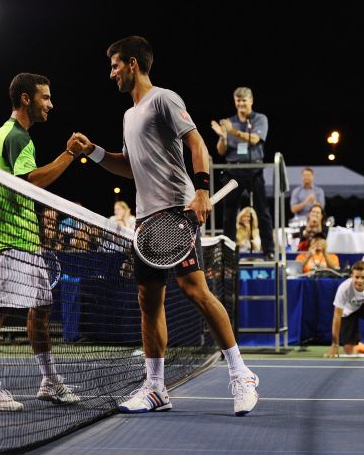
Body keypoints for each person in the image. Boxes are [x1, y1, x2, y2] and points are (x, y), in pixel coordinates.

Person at [75, 36, 259, 416]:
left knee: (195, 290)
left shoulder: (164, 99)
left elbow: (198, 145)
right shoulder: (128, 116)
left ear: (132, 64)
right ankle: (156, 387)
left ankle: (241, 374)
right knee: (148, 301)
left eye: (114, 66)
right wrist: (92, 152)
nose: (110, 74)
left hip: (177, 212)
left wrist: (203, 190)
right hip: (146, 219)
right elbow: (128, 166)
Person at [0, 72, 84, 412]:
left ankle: (49, 380)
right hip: (11, 241)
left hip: (25, 240)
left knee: (41, 308)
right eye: (45, 98)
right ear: (26, 99)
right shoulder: (17, 137)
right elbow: (31, 183)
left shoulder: (8, 137)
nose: (50, 104)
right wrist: (68, 155)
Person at [210, 86, 274, 258]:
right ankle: (228, 252)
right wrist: (223, 136)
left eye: (244, 100)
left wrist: (232, 131)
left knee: (262, 211)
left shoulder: (260, 119)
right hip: (233, 171)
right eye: (238, 100)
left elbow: (255, 139)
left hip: (254, 169)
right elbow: (221, 151)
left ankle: (269, 251)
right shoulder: (229, 121)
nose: (240, 104)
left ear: (251, 101)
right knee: (229, 214)